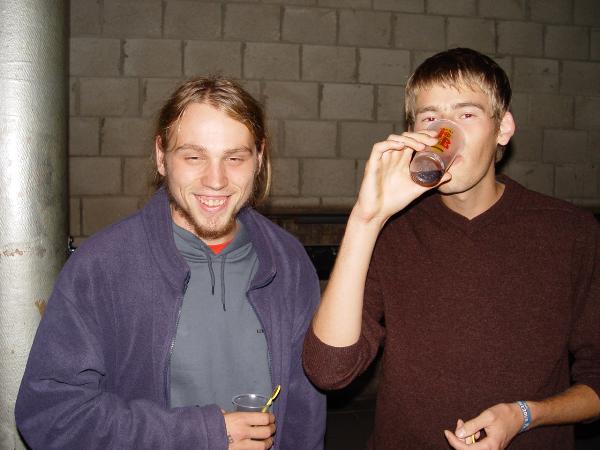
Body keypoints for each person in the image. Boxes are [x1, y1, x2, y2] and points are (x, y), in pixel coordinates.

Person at [302, 48, 600, 450]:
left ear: (503, 128)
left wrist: (524, 415)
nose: (445, 131)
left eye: (466, 114)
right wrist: (366, 219)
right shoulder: (394, 229)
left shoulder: (570, 232)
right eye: (430, 118)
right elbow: (329, 371)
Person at [16, 77, 326, 450]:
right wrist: (203, 434)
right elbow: (52, 414)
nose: (216, 180)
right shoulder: (102, 266)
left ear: (259, 158)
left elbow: (305, 409)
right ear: (162, 157)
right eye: (193, 157)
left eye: (234, 158)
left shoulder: (288, 262)